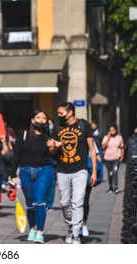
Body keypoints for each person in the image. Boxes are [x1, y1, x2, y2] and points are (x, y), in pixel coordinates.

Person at [51, 102, 97, 244]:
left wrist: (94, 171)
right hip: (62, 170)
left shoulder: (83, 126)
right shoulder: (57, 128)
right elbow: (51, 152)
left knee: (78, 202)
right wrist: (55, 147)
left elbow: (92, 149)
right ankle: (71, 227)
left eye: (61, 113)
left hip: (80, 170)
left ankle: (76, 233)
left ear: (70, 113)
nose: (58, 116)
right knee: (65, 203)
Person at [9, 109, 55, 243]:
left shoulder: (49, 136)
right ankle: (32, 229)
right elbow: (16, 156)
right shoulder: (23, 135)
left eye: (44, 118)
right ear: (32, 120)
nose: (41, 120)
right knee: (30, 204)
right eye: (38, 117)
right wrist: (13, 175)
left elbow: (54, 156)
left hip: (44, 171)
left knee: (39, 202)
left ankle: (40, 231)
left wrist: (56, 146)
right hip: (25, 173)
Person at [81, 141, 103, 237]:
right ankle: (75, 225)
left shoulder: (89, 139)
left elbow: (98, 157)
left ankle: (84, 223)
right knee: (73, 202)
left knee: (85, 201)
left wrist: (95, 169)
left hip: (86, 176)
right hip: (72, 172)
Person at [102, 124, 124, 194]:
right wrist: (108, 137)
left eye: (113, 130)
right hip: (107, 158)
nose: (112, 131)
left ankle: (116, 187)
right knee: (110, 173)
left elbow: (122, 147)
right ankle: (110, 186)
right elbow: (103, 147)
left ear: (116, 130)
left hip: (116, 158)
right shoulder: (106, 137)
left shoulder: (119, 138)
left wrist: (122, 156)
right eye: (110, 130)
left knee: (115, 172)